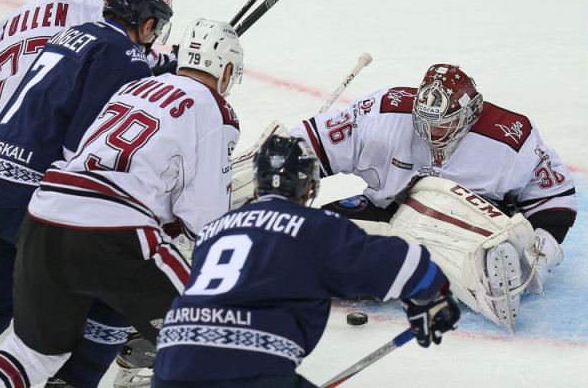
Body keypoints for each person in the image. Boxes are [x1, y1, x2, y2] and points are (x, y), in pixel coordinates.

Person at [0, 17, 244, 388]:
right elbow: (205, 221)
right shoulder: (216, 111)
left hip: (45, 213)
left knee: (31, 354)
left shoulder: (135, 87)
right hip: (113, 230)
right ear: (228, 69)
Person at [0, 0, 173, 386]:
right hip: (28, 201)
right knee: (67, 329)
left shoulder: (69, 36)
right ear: (149, 22)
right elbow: (85, 151)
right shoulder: (127, 57)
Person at [152, 134, 460, 388]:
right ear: (309, 187)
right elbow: (398, 262)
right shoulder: (313, 226)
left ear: (258, 185)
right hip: (249, 367)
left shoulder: (214, 230)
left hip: (171, 364)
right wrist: (432, 294)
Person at [285, 63, 577, 330]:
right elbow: (316, 141)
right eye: (424, 122)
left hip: (468, 224)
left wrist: (541, 250)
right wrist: (283, 173)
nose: (431, 133)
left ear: (471, 113)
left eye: (442, 123)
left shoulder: (509, 137)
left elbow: (554, 195)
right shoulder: (383, 113)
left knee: (481, 256)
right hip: (389, 210)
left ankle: (487, 269)